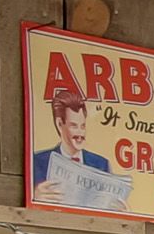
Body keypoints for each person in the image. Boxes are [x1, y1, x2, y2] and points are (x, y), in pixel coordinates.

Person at [32, 77, 129, 211]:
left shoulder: (101, 164)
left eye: (82, 126)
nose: (80, 134)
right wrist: (34, 197)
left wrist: (120, 213)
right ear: (60, 124)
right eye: (74, 126)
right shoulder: (38, 162)